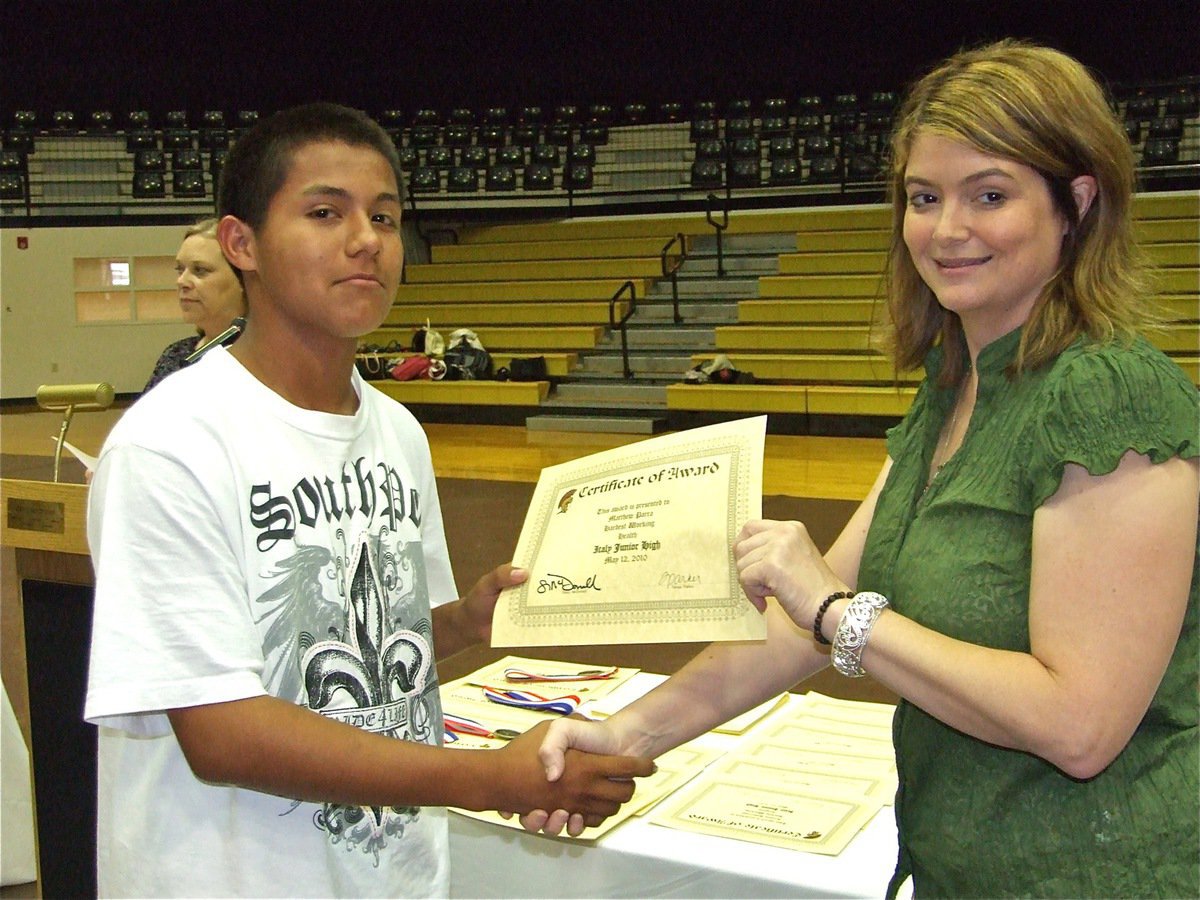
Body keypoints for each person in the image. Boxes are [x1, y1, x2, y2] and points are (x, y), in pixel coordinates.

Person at [523, 41, 1199, 898]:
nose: (946, 230)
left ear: (1076, 201)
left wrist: (842, 613)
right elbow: (794, 628)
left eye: (989, 194)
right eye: (924, 198)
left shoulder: (1109, 394)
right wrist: (628, 733)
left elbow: (1078, 725)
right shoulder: (956, 389)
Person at [84, 103, 653, 898]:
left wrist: (469, 619)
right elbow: (220, 732)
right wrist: (488, 778)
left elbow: (391, 647)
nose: (367, 240)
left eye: (384, 216)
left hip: (390, 875)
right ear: (240, 243)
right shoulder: (171, 444)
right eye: (326, 212)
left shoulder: (394, 430)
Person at [143, 217, 247, 392]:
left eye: (200, 270)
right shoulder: (176, 355)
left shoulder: (265, 362)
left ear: (244, 280)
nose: (181, 281)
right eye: (180, 269)